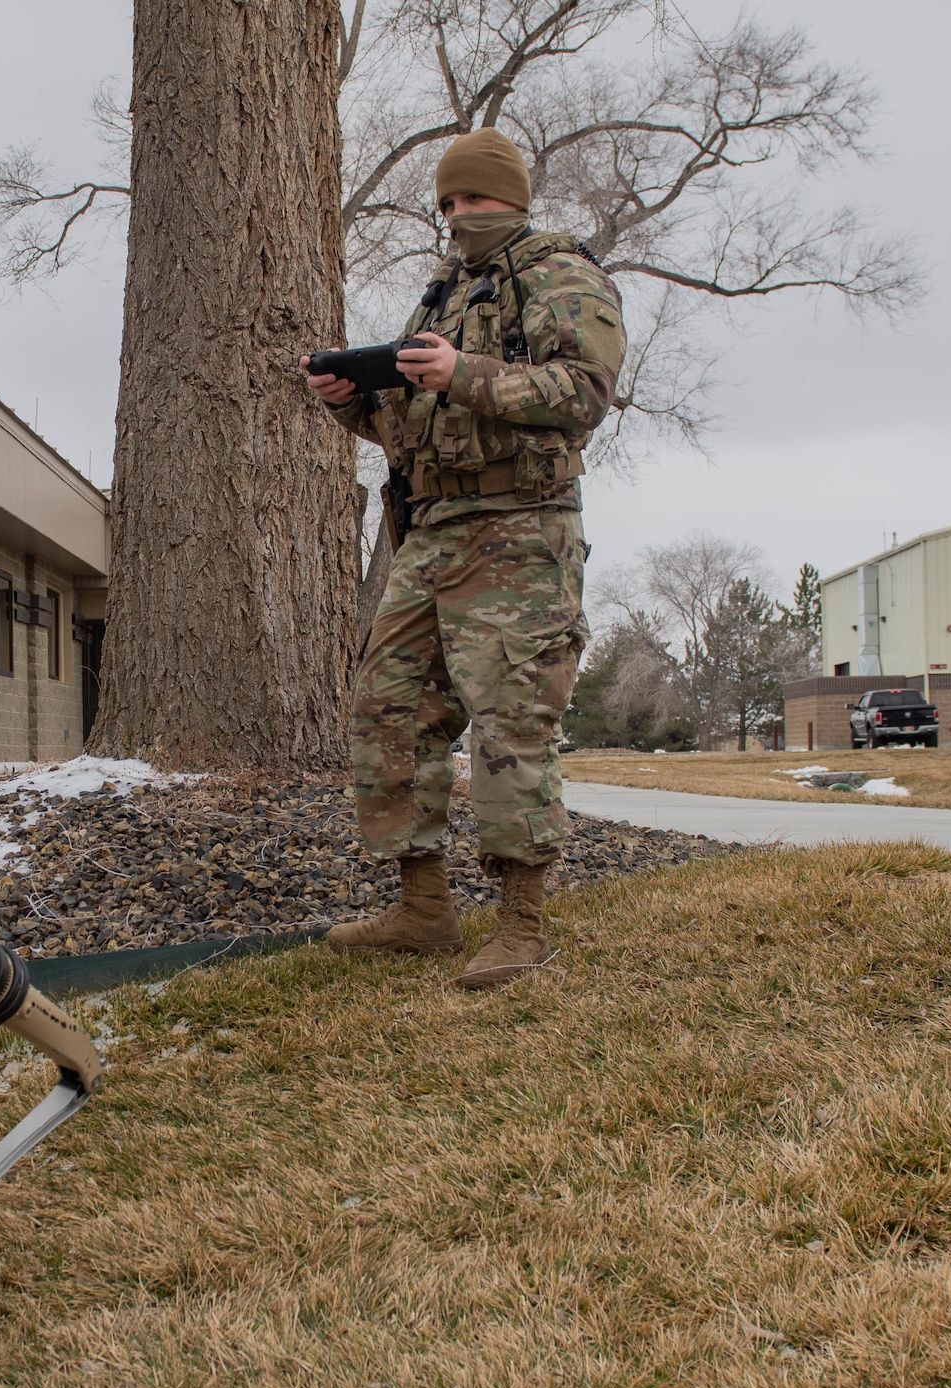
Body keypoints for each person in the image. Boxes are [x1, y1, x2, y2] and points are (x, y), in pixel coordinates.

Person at [305, 128, 626, 989]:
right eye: (447, 202)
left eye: (473, 198)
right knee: (392, 708)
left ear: (512, 197)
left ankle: (522, 924)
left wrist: (464, 374)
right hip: (431, 530)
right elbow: (410, 427)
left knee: (511, 720)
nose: (458, 215)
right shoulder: (445, 295)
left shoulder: (559, 274)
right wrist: (350, 401)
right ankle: (424, 909)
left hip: (519, 528)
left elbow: (584, 391)